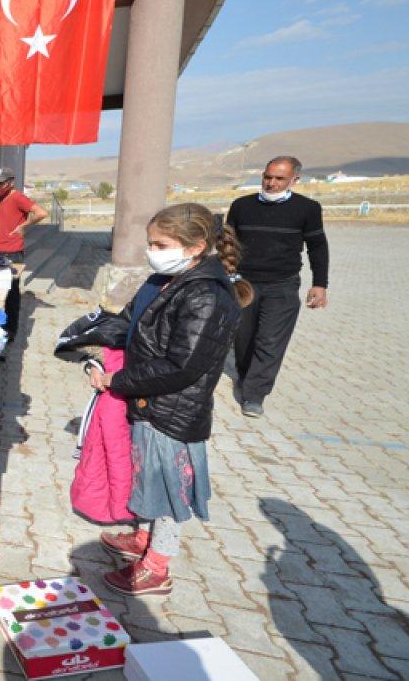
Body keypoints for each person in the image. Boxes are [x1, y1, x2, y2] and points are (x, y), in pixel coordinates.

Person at [92, 204, 251, 596]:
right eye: (150, 243)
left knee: (168, 487)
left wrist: (117, 380)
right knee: (147, 476)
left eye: (160, 244)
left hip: (173, 411)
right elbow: (131, 324)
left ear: (196, 247)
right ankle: (143, 539)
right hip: (149, 402)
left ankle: (158, 567)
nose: (152, 250)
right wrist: (88, 339)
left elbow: (181, 366)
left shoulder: (207, 297)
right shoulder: (166, 280)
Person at [226, 156, 329, 418]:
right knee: (243, 337)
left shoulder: (307, 209)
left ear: (295, 179)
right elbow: (227, 244)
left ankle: (254, 394)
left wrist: (320, 284)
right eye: (267, 177)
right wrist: (226, 275)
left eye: (279, 178)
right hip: (244, 283)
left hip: (282, 285)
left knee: (270, 341)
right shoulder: (241, 206)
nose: (271, 183)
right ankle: (246, 375)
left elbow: (317, 247)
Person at [0, 167, 48, 262]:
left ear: (11, 183)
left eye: (1, 183)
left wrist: (23, 226)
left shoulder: (18, 197)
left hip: (11, 251)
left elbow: (41, 213)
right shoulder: (2, 197)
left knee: (11, 277)